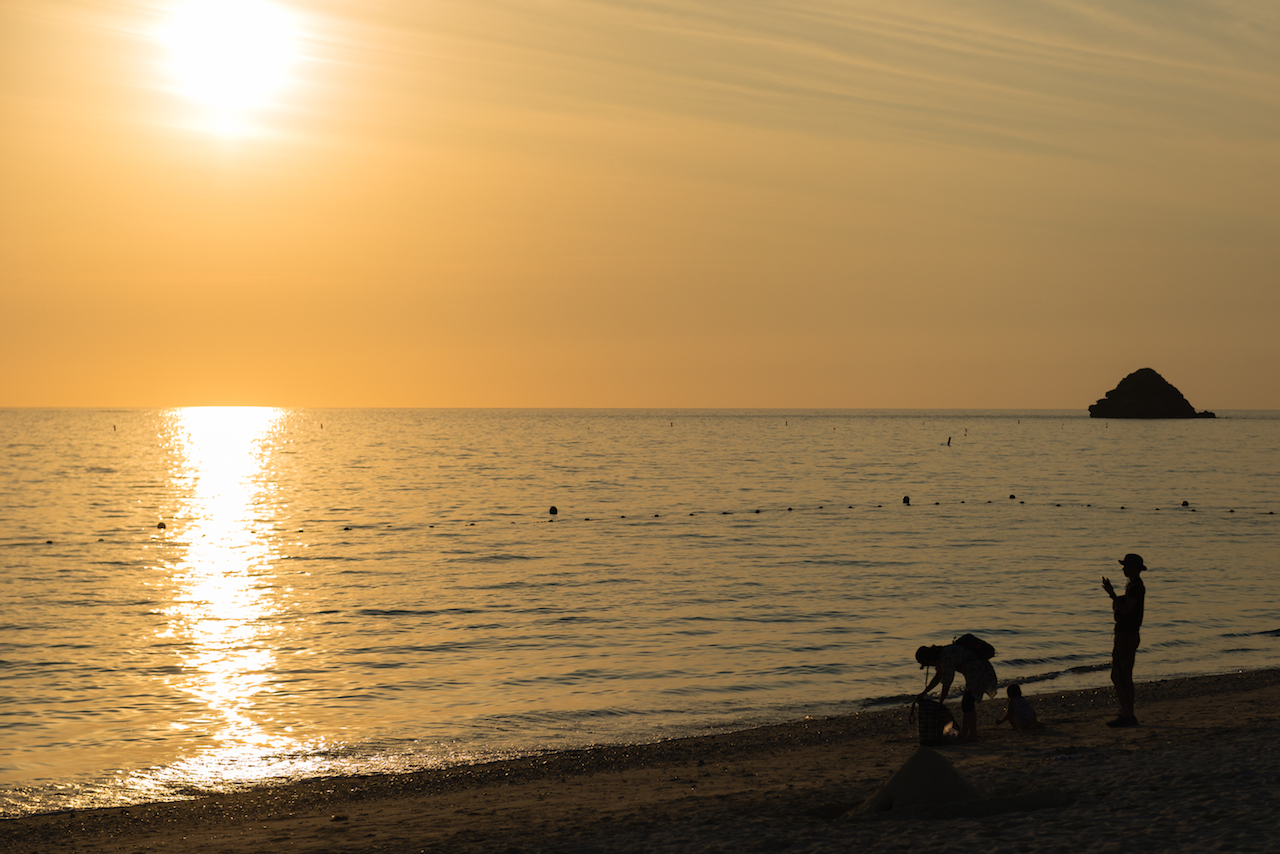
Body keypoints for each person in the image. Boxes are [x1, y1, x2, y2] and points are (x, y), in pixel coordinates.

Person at [915, 640, 998, 741]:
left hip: (979, 672)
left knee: (967, 702)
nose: (931, 666)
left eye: (929, 664)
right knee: (968, 703)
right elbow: (938, 677)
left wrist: (941, 703)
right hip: (977, 672)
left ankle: (969, 734)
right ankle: (970, 733)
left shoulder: (946, 657)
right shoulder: (943, 654)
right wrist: (924, 693)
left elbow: (947, 683)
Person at [1102, 552, 1146, 727]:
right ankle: (1127, 713)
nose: (1123, 569)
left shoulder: (1136, 586)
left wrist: (1112, 595)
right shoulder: (1133, 585)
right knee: (1119, 675)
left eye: (1126, 566)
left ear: (1133, 568)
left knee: (1122, 675)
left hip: (1127, 635)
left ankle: (1128, 715)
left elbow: (1126, 611)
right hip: (1123, 633)